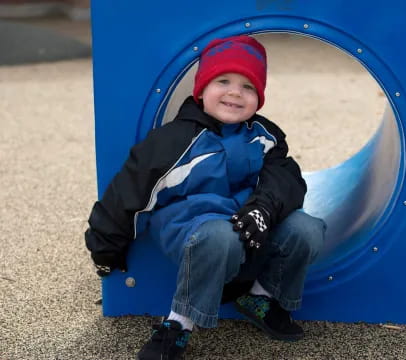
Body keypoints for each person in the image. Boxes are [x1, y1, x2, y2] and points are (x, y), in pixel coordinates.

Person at [85, 35, 326, 360]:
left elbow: (286, 179)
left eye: (248, 86)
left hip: (248, 226)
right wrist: (105, 247)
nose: (234, 92)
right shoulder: (174, 140)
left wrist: (263, 209)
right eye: (223, 80)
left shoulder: (264, 136)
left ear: (260, 97)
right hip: (194, 229)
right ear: (200, 89)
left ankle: (261, 296)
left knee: (307, 228)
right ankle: (178, 324)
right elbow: (128, 193)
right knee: (218, 237)